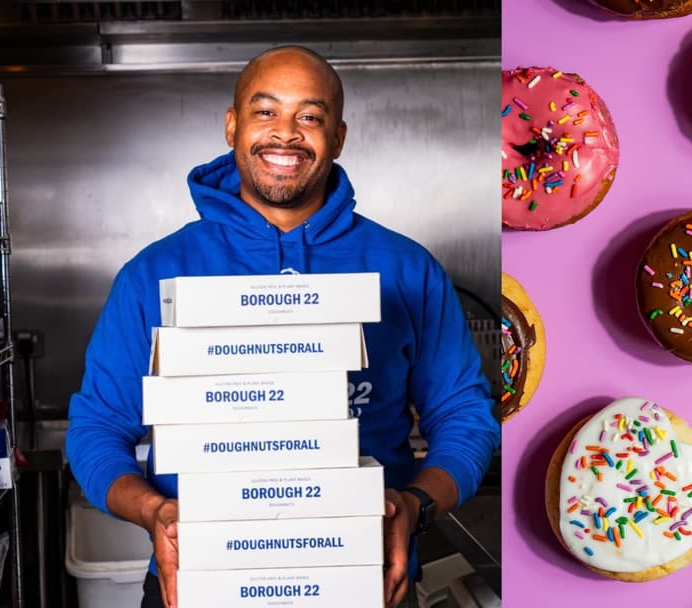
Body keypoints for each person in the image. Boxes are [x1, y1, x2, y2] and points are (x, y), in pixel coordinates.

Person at [65, 45, 500, 608]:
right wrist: (156, 515)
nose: (286, 134)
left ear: (337, 137)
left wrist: (415, 506)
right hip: (203, 580)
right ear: (232, 125)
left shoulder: (407, 268)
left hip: (365, 581)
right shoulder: (153, 274)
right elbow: (96, 428)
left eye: (309, 116)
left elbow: (465, 416)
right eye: (265, 111)